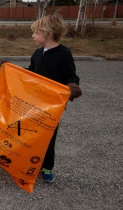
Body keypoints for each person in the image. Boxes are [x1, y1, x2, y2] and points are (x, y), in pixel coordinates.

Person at [26, 14, 82, 182]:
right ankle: (29, 161)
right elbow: (30, 72)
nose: (33, 36)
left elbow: (71, 76)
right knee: (31, 133)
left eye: (36, 33)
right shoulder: (37, 53)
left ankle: (46, 166)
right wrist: (12, 70)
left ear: (48, 34)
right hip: (34, 102)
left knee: (48, 137)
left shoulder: (63, 54)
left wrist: (72, 87)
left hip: (52, 105)